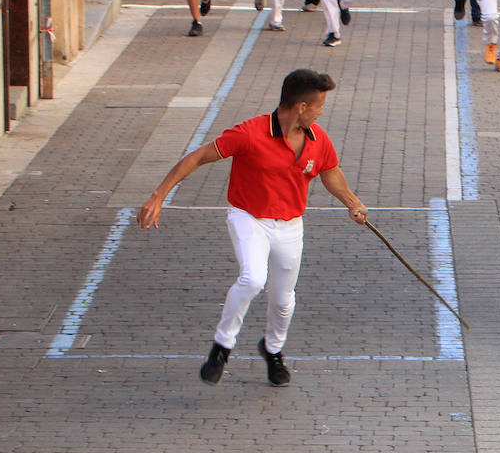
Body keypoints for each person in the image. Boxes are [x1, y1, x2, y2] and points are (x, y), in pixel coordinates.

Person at [137, 69, 369, 388]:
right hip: (249, 218)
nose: (321, 111)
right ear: (301, 106)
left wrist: (352, 203)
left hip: (290, 226)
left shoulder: (318, 139)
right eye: (319, 106)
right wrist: (158, 196)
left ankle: (273, 350)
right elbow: (198, 157)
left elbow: (330, 174)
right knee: (252, 279)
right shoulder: (250, 133)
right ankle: (222, 347)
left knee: (284, 299)